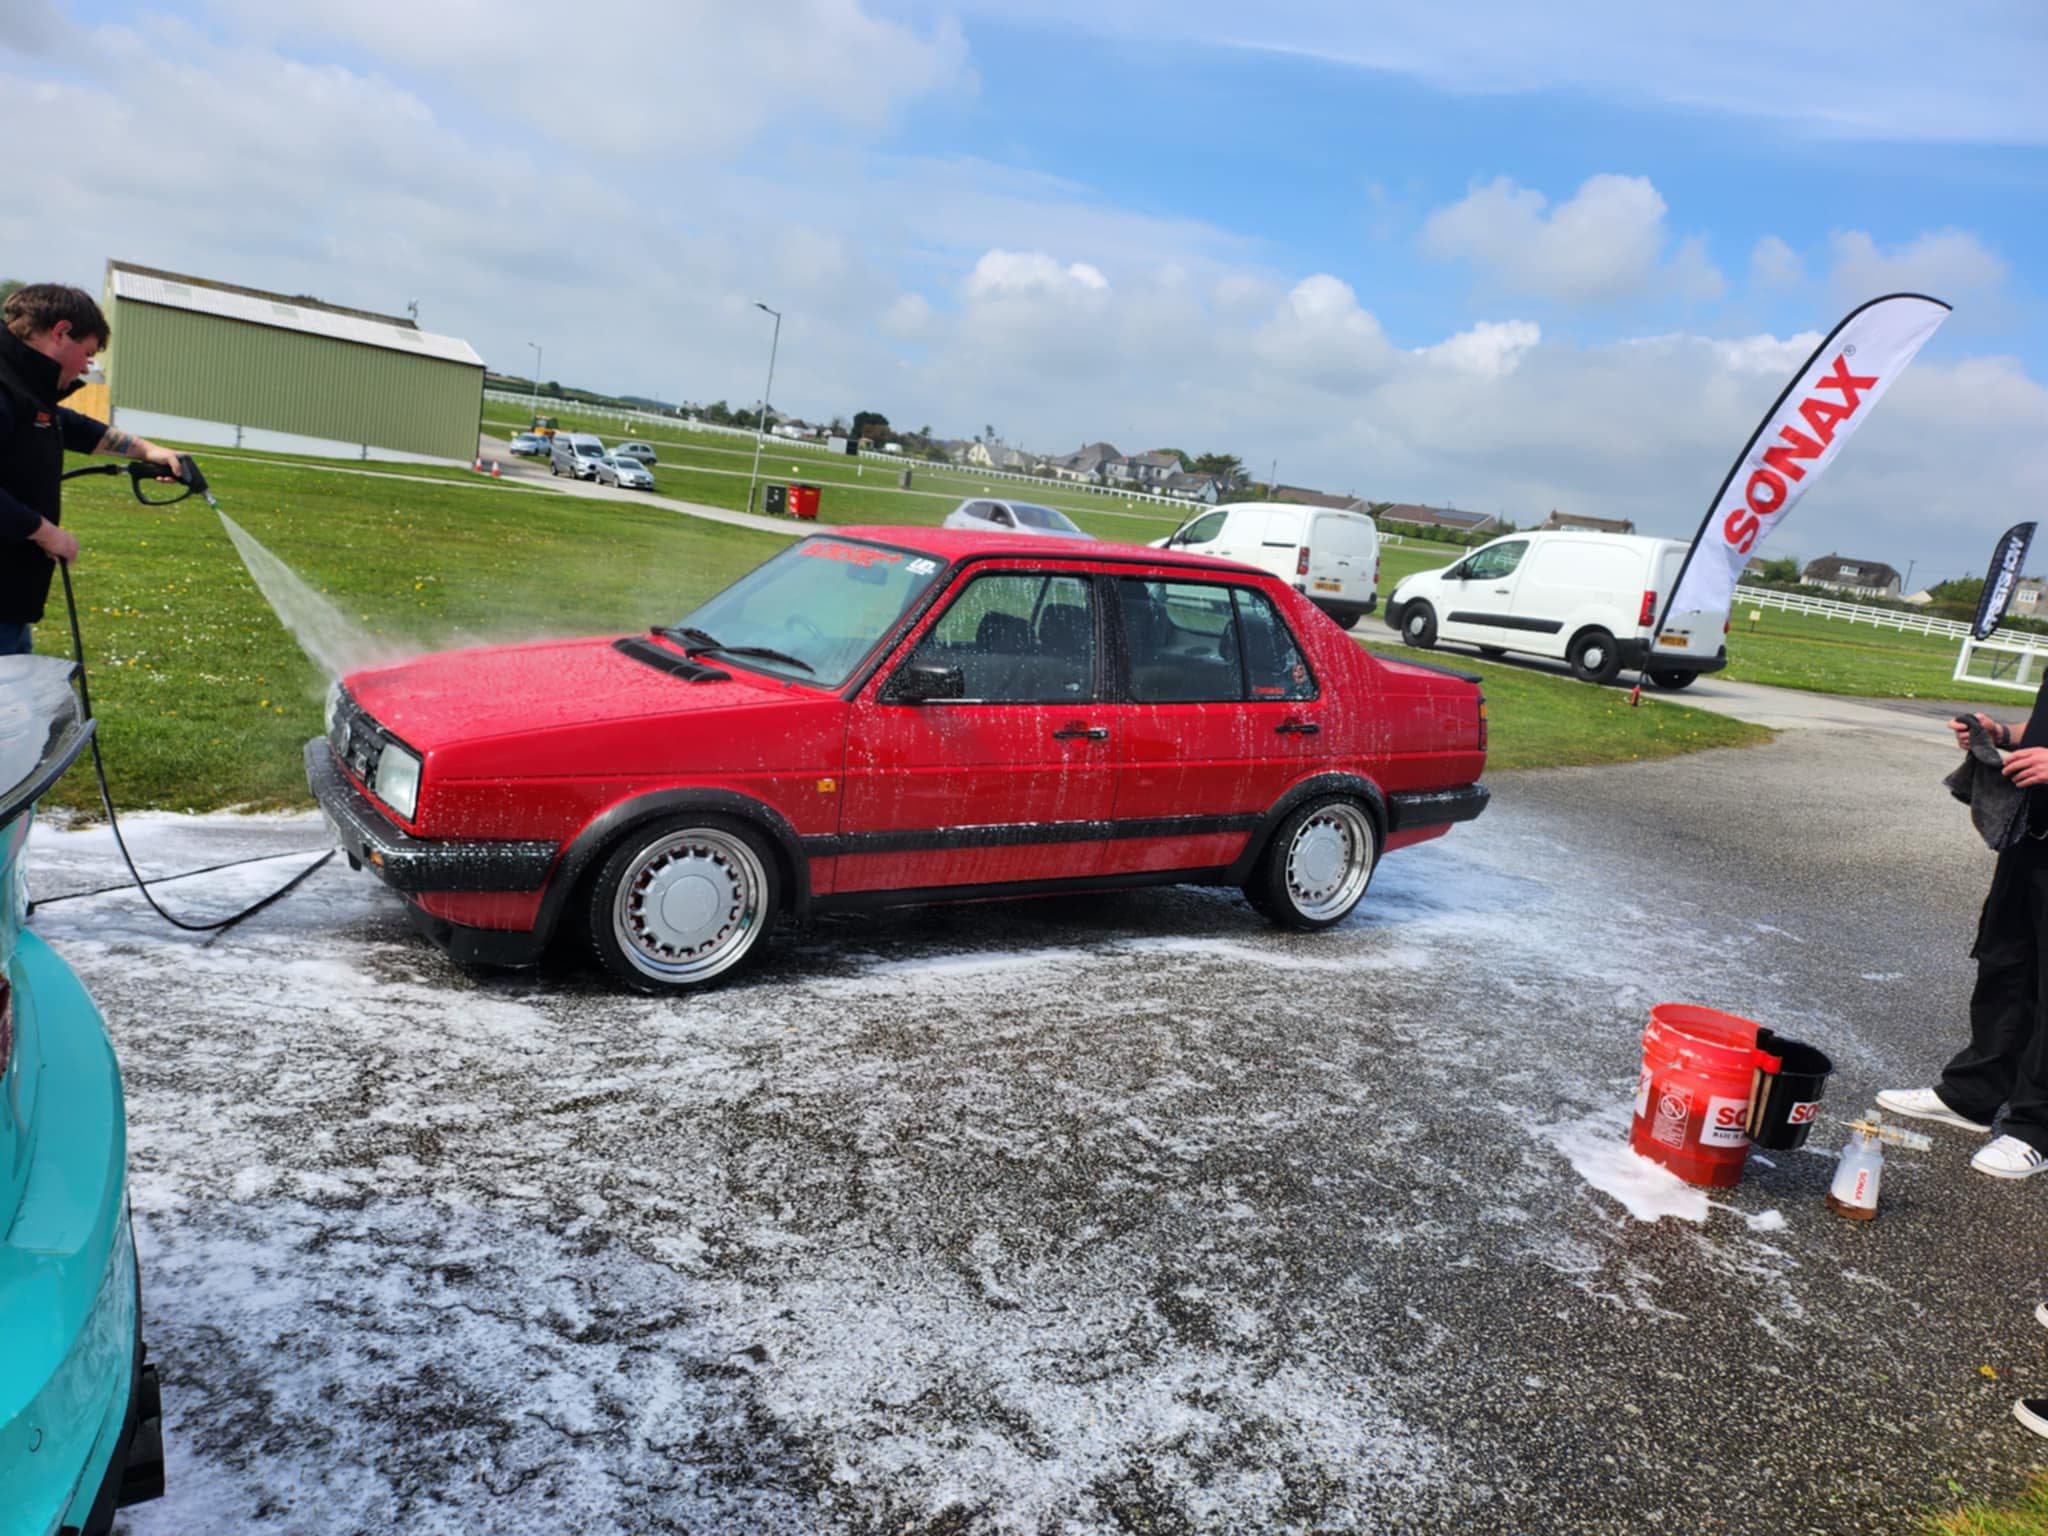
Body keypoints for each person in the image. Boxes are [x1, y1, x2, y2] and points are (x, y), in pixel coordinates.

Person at [1876, 705, 2048, 1179]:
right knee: (2005, 967)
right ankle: (1971, 1096)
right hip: (2032, 833)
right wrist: (2004, 733)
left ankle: (2036, 1131)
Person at [0, 283, 185, 655]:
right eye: (86, 353)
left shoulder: (25, 387)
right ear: (60, 332)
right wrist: (45, 533)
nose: (87, 366)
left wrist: (147, 451)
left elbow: (64, 423)